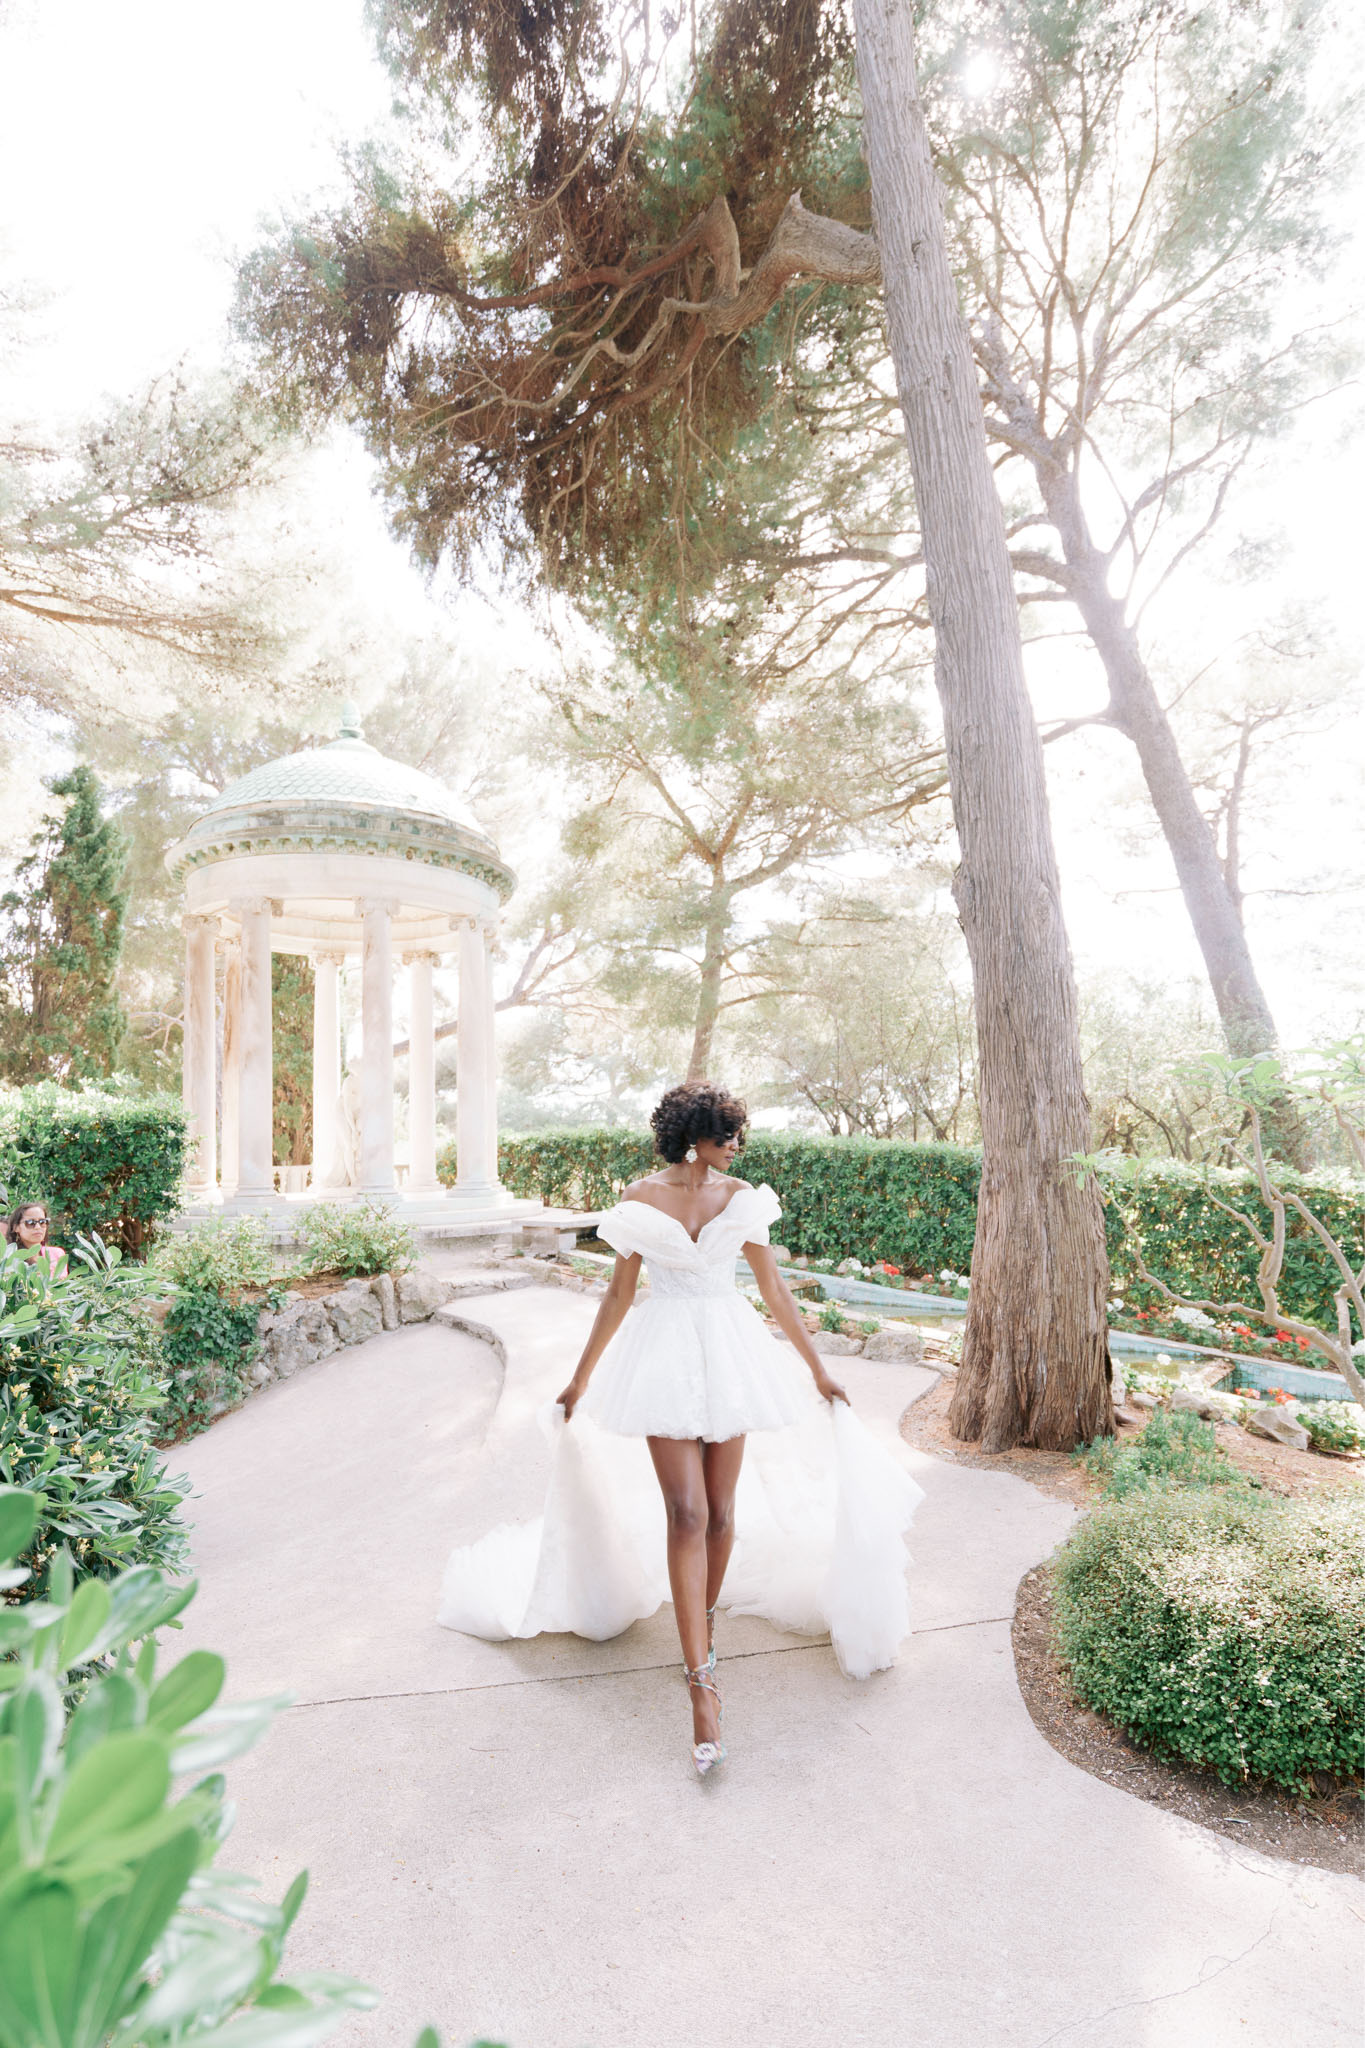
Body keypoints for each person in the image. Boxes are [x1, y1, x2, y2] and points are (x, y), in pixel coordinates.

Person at [439, 1081, 923, 1779]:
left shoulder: (742, 1198)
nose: (736, 1146)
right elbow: (618, 1293)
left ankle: (703, 1623)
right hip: (663, 1359)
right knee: (687, 1513)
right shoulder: (640, 1200)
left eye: (737, 1134)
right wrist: (579, 1379)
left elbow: (774, 1290)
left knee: (722, 1514)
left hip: (729, 1354)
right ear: (693, 1137)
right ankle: (701, 1685)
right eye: (726, 1134)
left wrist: (818, 1370)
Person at [4, 1201, 66, 1276]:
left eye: (42, 1222)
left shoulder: (57, 1254)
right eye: (30, 1223)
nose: (38, 1227)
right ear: (16, 1227)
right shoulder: (9, 1259)